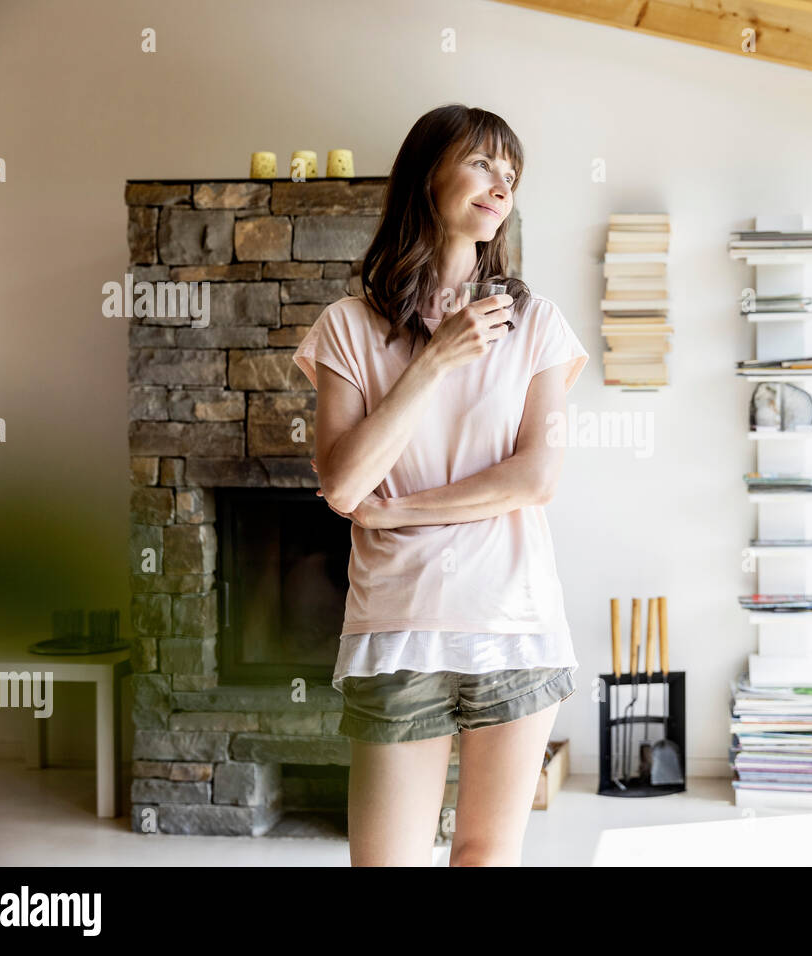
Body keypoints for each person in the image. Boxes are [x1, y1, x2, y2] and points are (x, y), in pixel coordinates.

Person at [291, 104, 588, 866]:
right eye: (484, 164)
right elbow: (343, 482)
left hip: (514, 621)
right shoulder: (347, 329)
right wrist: (436, 359)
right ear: (428, 176)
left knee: (485, 855)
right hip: (398, 629)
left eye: (511, 174)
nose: (501, 185)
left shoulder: (537, 324)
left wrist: (404, 510)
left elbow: (535, 476)